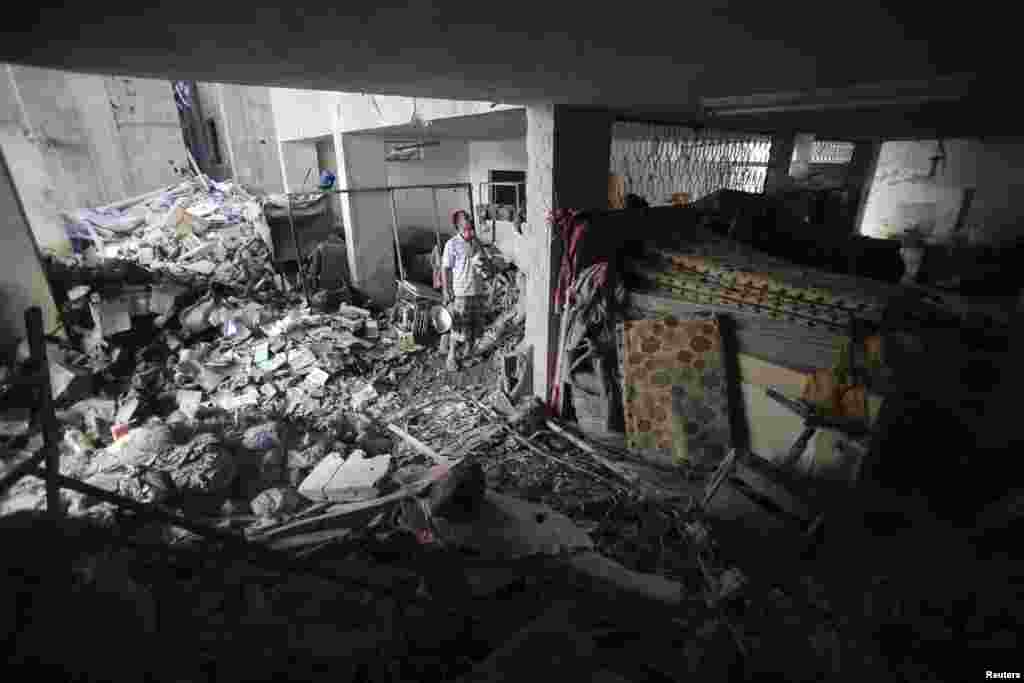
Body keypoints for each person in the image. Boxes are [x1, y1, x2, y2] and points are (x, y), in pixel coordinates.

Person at [441, 209, 487, 371]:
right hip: (461, 291)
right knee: (458, 327)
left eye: (469, 218)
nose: (469, 220)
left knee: (475, 326)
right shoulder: (451, 244)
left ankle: (469, 354)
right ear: (458, 225)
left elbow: (484, 263)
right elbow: (445, 268)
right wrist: (446, 290)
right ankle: (451, 357)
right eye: (465, 219)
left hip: (478, 290)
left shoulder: (476, 242)